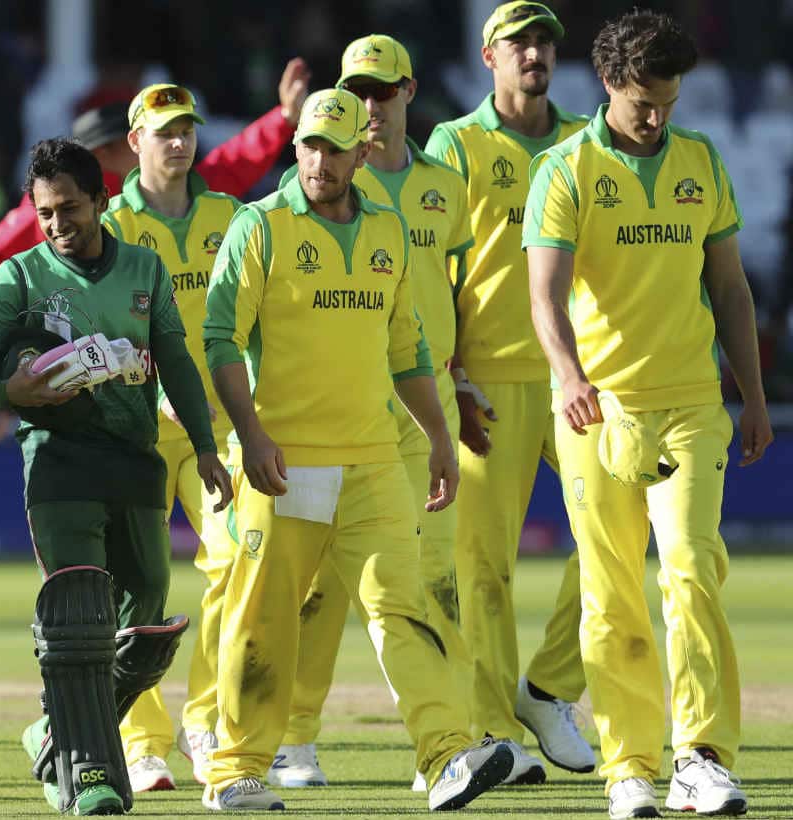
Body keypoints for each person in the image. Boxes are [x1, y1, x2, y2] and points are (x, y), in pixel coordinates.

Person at [200, 87, 512, 813]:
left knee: (403, 607)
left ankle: (446, 757)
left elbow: (409, 351)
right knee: (265, 617)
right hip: (285, 463)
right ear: (296, 146)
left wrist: (439, 439)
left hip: (373, 459)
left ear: (362, 153)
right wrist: (251, 436)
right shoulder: (259, 226)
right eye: (309, 146)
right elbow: (219, 340)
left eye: (335, 149)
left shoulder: (388, 231)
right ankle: (234, 771)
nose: (319, 161)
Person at [525, 10, 770, 818]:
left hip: (693, 403)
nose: (657, 117)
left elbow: (730, 288)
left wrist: (753, 395)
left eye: (668, 102)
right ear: (608, 83)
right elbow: (545, 294)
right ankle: (629, 768)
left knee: (694, 569)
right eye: (643, 103)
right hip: (599, 414)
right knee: (611, 593)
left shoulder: (701, 161)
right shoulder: (564, 170)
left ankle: (701, 759)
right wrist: (569, 377)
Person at [0, 137, 231, 815]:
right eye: (45, 212)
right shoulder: (19, 277)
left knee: (146, 632)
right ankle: (88, 776)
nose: (57, 225)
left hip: (135, 461)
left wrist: (205, 446)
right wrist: (14, 390)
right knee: (80, 619)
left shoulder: (143, 268)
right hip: (57, 465)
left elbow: (176, 358)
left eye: (70, 208)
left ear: (102, 201)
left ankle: (53, 733)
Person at [271, 33, 504, 790]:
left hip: (422, 404)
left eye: (380, 90)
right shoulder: (330, 180)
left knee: (429, 583)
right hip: (341, 406)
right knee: (322, 588)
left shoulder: (445, 186)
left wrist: (458, 382)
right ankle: (291, 740)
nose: (367, 105)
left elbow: (451, 294)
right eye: (355, 91)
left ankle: (455, 742)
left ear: (408, 92)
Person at [423, 0, 595, 775]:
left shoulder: (585, 142)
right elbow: (435, 271)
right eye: (517, 43)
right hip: (487, 377)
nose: (534, 53)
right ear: (488, 57)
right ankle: (495, 732)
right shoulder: (455, 144)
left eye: (544, 42)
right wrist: (453, 375)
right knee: (483, 568)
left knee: (620, 538)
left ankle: (549, 687)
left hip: (577, 374)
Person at [99, 84, 242, 792]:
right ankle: (141, 740)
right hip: (136, 432)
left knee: (238, 559)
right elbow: (102, 323)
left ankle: (204, 720)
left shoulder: (230, 215)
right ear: (135, 142)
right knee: (137, 586)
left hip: (216, 430)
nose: (179, 142)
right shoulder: (113, 223)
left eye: (187, 128)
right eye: (164, 131)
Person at [0, 58, 313, 296]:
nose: (172, 145)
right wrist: (28, 323)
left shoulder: (174, 189)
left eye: (182, 133)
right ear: (110, 149)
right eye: (157, 135)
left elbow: (230, 165)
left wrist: (284, 118)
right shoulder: (62, 198)